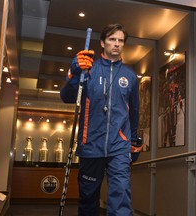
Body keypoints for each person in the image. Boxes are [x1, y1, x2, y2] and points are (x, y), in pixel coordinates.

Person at [60, 24, 140, 216]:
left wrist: (134, 140)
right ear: (103, 43)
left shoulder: (129, 76)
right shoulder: (89, 69)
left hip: (119, 146)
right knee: (88, 199)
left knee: (121, 196)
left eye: (121, 41)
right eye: (112, 40)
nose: (117, 44)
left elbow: (134, 111)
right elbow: (67, 96)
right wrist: (75, 73)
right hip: (91, 145)